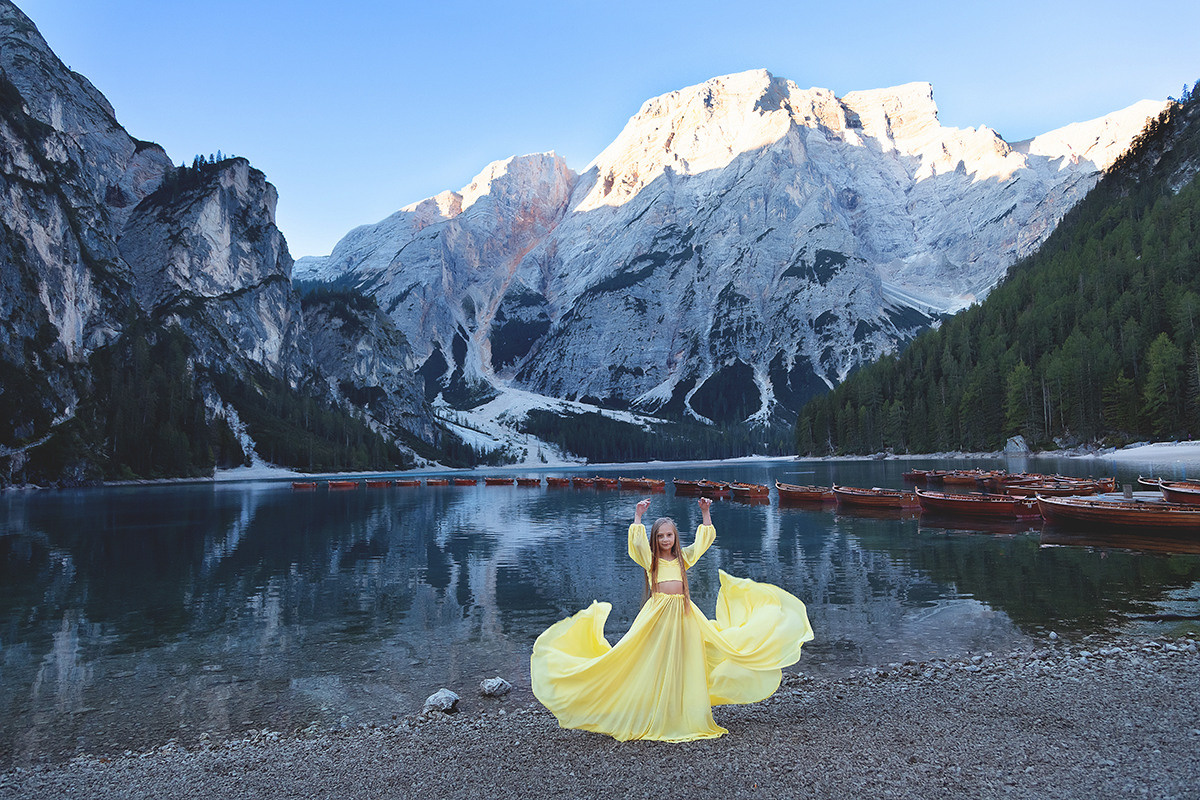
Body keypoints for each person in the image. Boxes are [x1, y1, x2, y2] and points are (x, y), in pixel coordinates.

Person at [530, 496, 814, 742]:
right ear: (655, 540)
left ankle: (683, 712)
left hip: (684, 614)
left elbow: (704, 541)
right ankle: (647, 708)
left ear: (675, 537)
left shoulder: (682, 559)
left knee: (685, 660)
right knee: (648, 658)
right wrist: (638, 516)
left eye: (669, 535)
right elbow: (636, 543)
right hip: (657, 615)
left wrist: (705, 512)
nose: (666, 540)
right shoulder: (650, 560)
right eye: (661, 536)